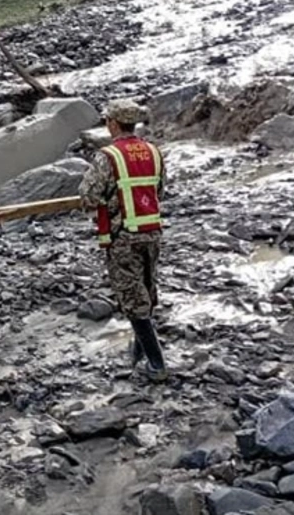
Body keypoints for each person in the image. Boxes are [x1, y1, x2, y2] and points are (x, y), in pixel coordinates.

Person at [78, 99, 168, 382]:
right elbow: (160, 190)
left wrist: (108, 202)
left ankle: (156, 363)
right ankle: (138, 353)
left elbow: (89, 196)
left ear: (113, 123)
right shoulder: (153, 152)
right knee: (147, 289)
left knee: (131, 296)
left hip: (123, 236)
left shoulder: (109, 156)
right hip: (151, 231)